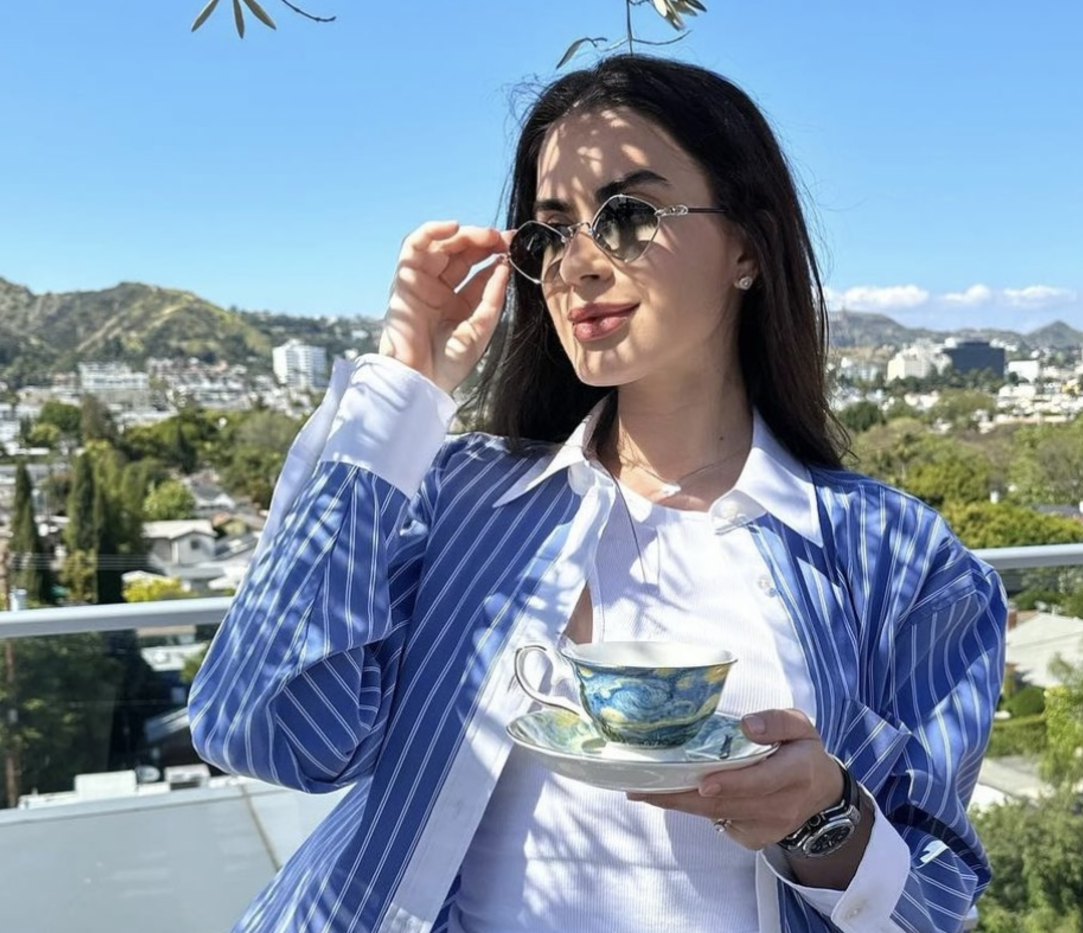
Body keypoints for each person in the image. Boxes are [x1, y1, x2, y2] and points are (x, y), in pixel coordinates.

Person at [188, 54, 1008, 933]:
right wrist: (399, 390)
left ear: (746, 244)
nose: (577, 264)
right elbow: (268, 733)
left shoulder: (897, 559)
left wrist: (824, 817)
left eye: (626, 216)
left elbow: (934, 901)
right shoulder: (461, 500)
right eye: (550, 233)